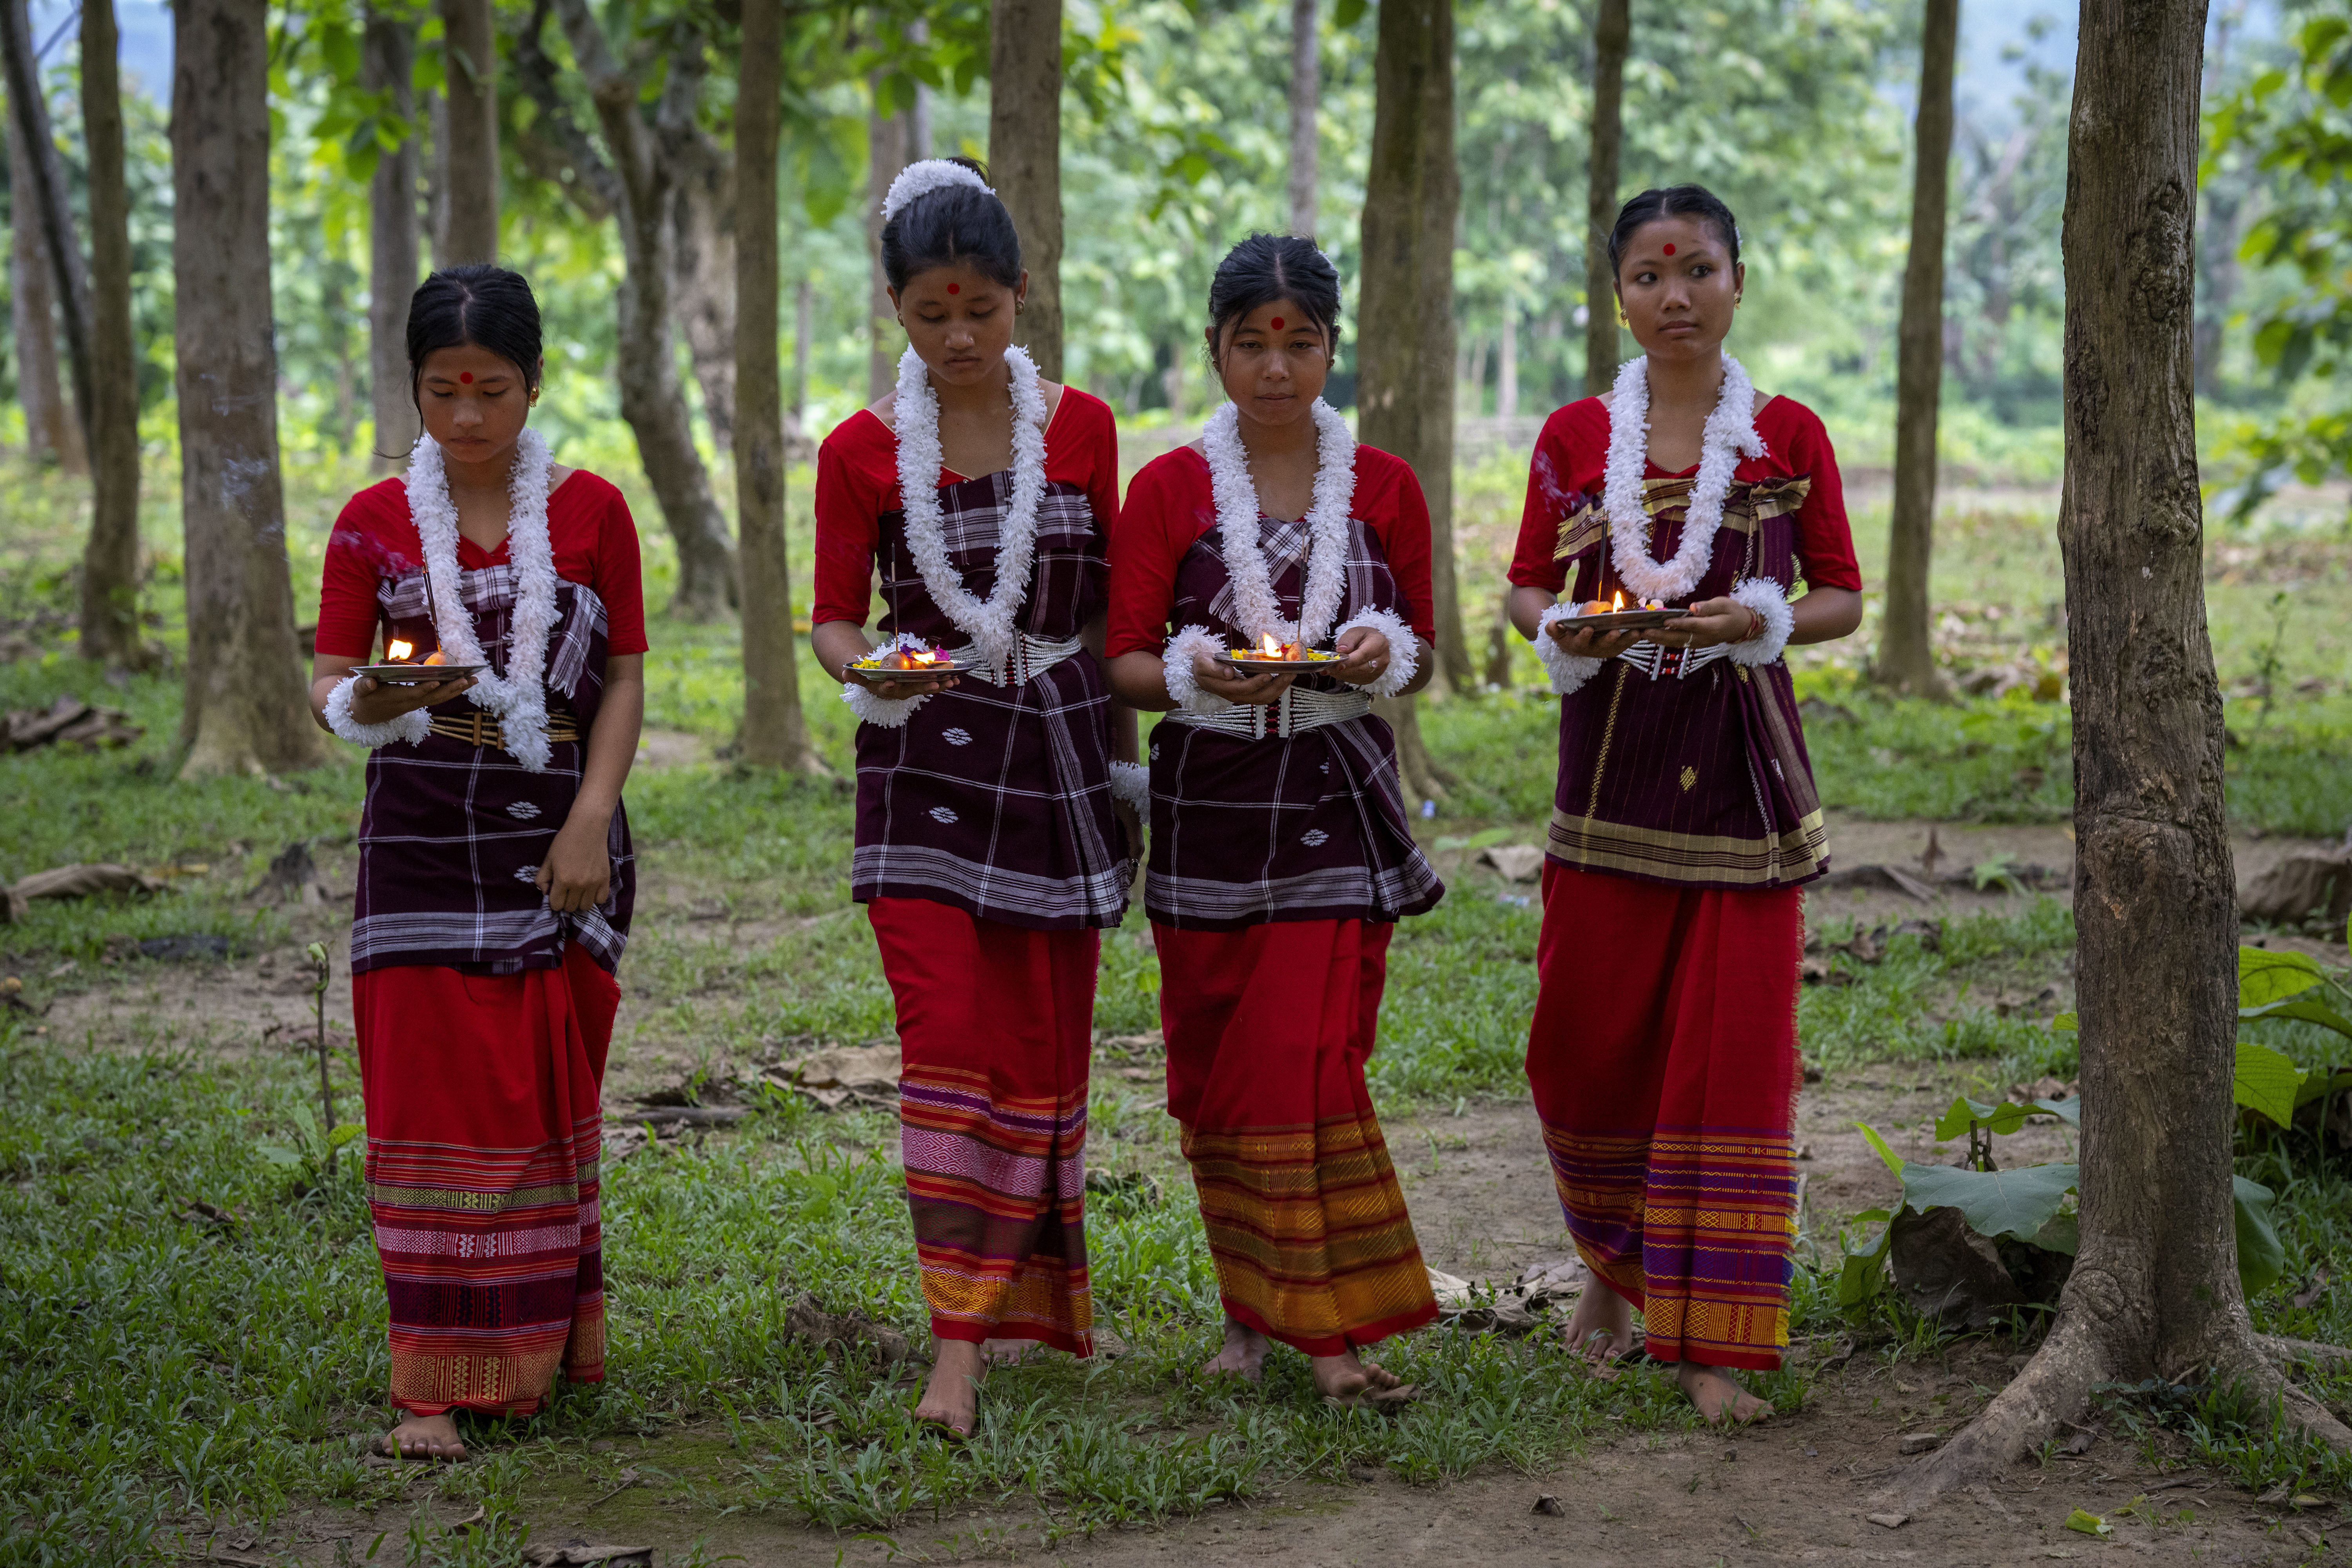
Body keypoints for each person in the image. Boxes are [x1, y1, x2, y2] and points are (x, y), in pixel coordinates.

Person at [1505, 185, 1864, 1425]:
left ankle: (1711, 1344)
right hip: (1607, 777)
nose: (1677, 297)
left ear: (1738, 282)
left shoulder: (1788, 437)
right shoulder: (1569, 438)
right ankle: (1612, 1269)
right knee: (1584, 1045)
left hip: (1746, 789)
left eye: (1699, 270)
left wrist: (1756, 620)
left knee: (1732, 1062)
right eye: (1651, 277)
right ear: (1619, 295)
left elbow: (1842, 601)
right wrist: (1575, 627)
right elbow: (1520, 591)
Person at [808, 157, 1136, 1439]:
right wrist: (874, 667)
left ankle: (1026, 1312)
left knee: (1044, 1052)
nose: (959, 337)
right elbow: (836, 621)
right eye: (932, 314)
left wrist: (1122, 768)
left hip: (1056, 764)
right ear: (895, 308)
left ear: (1019, 298)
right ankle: (956, 1347)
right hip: (920, 766)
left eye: (981, 312)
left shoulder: (1089, 430)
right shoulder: (859, 452)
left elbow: (1110, 609)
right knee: (949, 1045)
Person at [310, 265, 647, 1461]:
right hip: (415, 849)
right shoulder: (370, 522)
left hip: (558, 844)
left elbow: (622, 681)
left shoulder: (596, 512)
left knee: (536, 1107)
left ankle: (545, 1348)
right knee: (428, 1109)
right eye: (442, 391)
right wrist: (371, 694)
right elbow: (329, 686)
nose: (466, 417)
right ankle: (430, 1391)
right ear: (412, 389)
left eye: (491, 390)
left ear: (533, 386)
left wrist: (589, 820)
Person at [1106, 234, 1445, 1407]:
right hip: (1208, 810)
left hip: (1336, 806)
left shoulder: (1388, 486)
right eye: (1251, 342)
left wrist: (1376, 649)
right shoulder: (1168, 490)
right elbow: (1126, 664)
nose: (1276, 366)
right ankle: (1252, 1313)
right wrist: (1201, 674)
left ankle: (1331, 1335)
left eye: (1299, 342)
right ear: (1214, 349)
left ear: (1331, 350)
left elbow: (1425, 657)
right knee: (1214, 1073)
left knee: (1305, 1065)